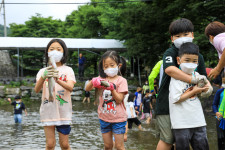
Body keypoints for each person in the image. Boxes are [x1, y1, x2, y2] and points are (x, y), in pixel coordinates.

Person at [155, 18, 209, 150]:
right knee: (168, 139)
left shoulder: (199, 56)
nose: (182, 38)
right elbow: (170, 70)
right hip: (166, 105)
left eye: (185, 34)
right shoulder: (170, 52)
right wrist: (193, 80)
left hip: (188, 106)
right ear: (172, 38)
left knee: (187, 139)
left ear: (192, 35)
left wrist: (205, 88)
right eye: (178, 36)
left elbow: (203, 79)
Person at [34, 39, 76, 150]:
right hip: (48, 111)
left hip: (64, 111)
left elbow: (70, 88)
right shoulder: (43, 71)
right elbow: (37, 90)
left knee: (65, 145)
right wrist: (44, 76)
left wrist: (58, 80)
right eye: (51, 49)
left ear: (64, 52)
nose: (55, 51)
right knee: (50, 144)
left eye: (58, 49)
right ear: (47, 52)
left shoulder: (68, 70)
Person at [169, 42, 212, 150]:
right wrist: (194, 91)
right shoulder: (176, 78)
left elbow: (206, 92)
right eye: (187, 60)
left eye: (194, 61)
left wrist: (206, 90)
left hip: (198, 121)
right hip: (181, 123)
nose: (191, 63)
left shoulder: (198, 76)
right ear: (179, 60)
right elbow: (176, 99)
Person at [85, 50, 128, 150]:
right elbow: (87, 88)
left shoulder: (122, 81)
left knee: (119, 146)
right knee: (108, 146)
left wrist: (112, 89)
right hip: (104, 118)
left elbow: (119, 100)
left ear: (119, 65)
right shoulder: (101, 78)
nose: (109, 68)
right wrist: (93, 81)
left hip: (118, 119)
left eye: (112, 65)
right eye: (106, 66)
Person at [212, 77, 225, 150]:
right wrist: (216, 112)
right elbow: (214, 104)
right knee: (220, 139)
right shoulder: (220, 91)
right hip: (220, 118)